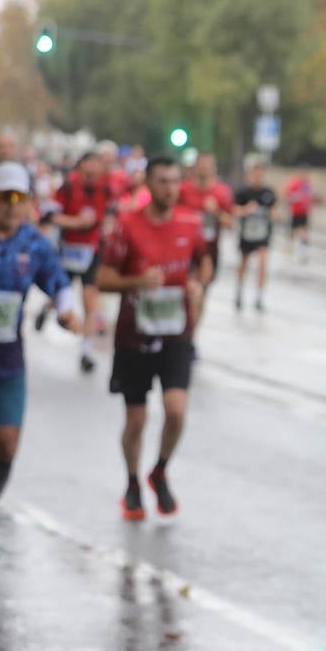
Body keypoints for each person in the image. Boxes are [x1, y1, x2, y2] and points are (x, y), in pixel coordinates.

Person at [97, 157, 211, 521]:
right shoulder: (127, 226)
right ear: (148, 184)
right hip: (134, 336)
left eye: (175, 181)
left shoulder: (191, 222)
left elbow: (204, 262)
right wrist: (136, 282)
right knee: (137, 420)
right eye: (163, 181)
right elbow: (103, 278)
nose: (170, 188)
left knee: (176, 412)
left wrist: (198, 283)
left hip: (177, 333)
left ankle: (159, 470)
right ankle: (132, 483)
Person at [0, 162, 79, 507]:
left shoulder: (34, 243)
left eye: (21, 197)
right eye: (5, 196)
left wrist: (67, 309)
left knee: (6, 442)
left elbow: (57, 282)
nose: (13, 205)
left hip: (8, 357)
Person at [50, 151, 115, 373]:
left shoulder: (105, 189)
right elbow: (51, 216)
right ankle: (46, 309)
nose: (91, 177)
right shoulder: (67, 187)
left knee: (89, 300)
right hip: (68, 249)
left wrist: (108, 225)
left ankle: (86, 351)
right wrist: (75, 222)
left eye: (95, 172)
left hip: (93, 251)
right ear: (80, 168)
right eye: (87, 172)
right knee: (59, 293)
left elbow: (112, 213)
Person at [178, 153, 234, 325]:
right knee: (185, 293)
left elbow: (230, 223)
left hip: (209, 251)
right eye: (201, 165)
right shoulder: (183, 189)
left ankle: (191, 334)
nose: (204, 169)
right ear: (195, 168)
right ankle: (184, 332)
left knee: (202, 292)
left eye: (208, 166)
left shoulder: (222, 192)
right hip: (184, 250)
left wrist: (216, 211)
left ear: (214, 169)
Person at [232, 161, 277, 311]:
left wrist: (270, 213)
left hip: (263, 234)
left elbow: (276, 212)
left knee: (263, 263)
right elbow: (233, 210)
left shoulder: (268, 193)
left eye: (260, 174)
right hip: (247, 233)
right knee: (244, 263)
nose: (258, 176)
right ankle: (239, 292)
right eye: (255, 173)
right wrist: (246, 210)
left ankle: (259, 296)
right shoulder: (243, 192)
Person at [283, 170, 314, 263]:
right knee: (293, 232)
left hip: (304, 212)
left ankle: (303, 252)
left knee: (304, 232)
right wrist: (296, 197)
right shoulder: (294, 184)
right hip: (295, 212)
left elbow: (310, 196)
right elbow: (287, 196)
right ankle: (289, 247)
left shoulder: (308, 185)